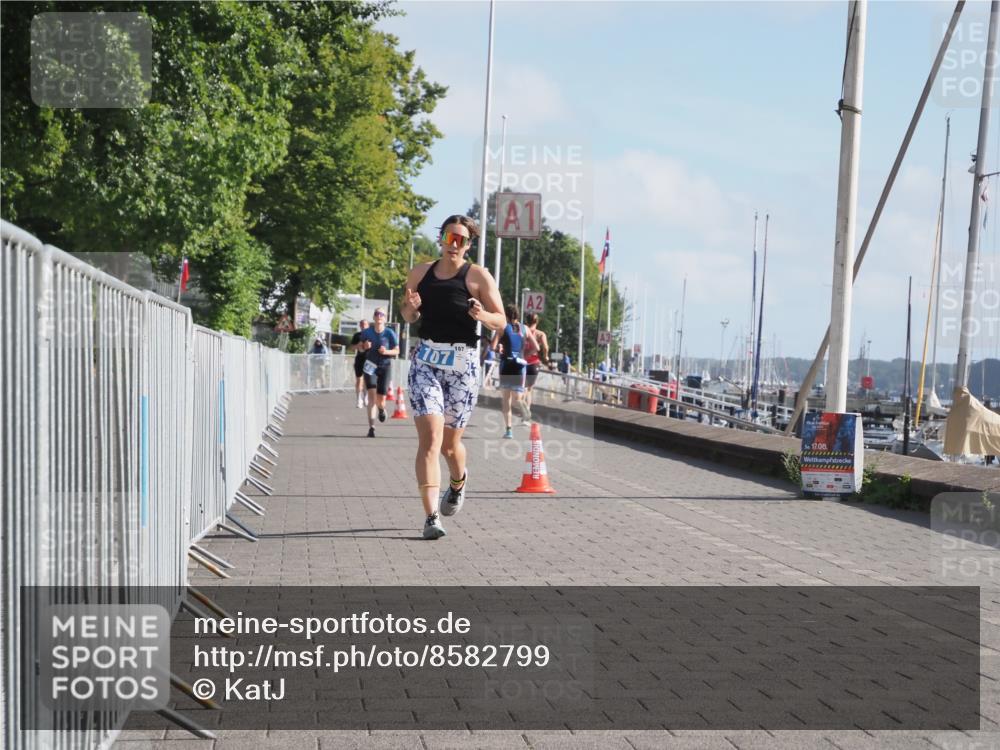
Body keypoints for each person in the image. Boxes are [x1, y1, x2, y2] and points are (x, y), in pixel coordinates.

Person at [400, 214, 506, 540]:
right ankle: (431, 517)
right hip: (427, 361)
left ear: (468, 245)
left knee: (450, 446)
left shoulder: (478, 277)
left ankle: (458, 481)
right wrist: (411, 307)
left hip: (462, 365)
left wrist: (481, 314)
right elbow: (406, 315)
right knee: (430, 439)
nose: (454, 245)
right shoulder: (420, 273)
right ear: (441, 240)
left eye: (461, 240)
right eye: (449, 238)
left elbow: (500, 321)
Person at [491, 304, 537, 439]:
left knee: (506, 400)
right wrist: (525, 354)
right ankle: (524, 408)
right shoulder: (525, 329)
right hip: (520, 366)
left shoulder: (502, 328)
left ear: (506, 315)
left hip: (506, 365)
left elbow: (493, 347)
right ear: (517, 315)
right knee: (517, 398)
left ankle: (509, 430)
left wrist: (500, 348)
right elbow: (536, 347)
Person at [359, 309, 398, 437]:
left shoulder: (389, 333)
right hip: (370, 366)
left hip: (385, 366)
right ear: (374, 317)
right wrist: (365, 346)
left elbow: (397, 351)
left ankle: (381, 409)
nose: (379, 316)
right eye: (377, 314)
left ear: (385, 318)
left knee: (381, 400)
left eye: (382, 315)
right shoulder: (366, 332)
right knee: (371, 397)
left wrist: (386, 352)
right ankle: (372, 428)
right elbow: (359, 347)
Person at [522, 312, 550, 415]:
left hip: (523, 361)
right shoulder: (540, 334)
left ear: (526, 321)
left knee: (523, 387)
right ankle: (527, 409)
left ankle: (523, 406)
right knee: (529, 389)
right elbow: (546, 347)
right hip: (534, 363)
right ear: (537, 321)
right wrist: (546, 356)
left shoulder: (523, 331)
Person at [349, 319, 370, 408]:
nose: (363, 326)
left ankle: (365, 397)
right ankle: (358, 399)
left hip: (369, 360)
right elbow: (351, 347)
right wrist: (358, 346)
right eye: (361, 324)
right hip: (359, 359)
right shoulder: (357, 335)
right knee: (359, 380)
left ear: (368, 325)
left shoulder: (371, 335)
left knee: (367, 380)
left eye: (365, 324)